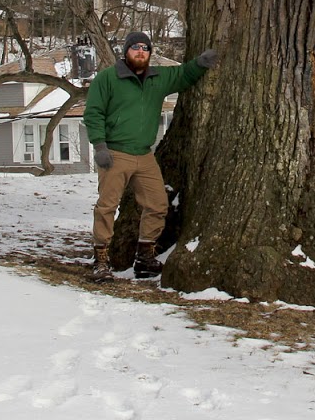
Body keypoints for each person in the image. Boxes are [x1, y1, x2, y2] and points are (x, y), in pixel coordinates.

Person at [84, 31, 218, 282]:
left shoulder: (157, 78)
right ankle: (101, 260)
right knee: (107, 206)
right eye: (135, 47)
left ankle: (144, 258)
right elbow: (93, 113)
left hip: (144, 155)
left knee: (157, 204)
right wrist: (100, 146)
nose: (140, 52)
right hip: (115, 153)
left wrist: (200, 63)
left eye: (145, 48)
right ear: (126, 51)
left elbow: (182, 75)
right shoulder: (108, 78)